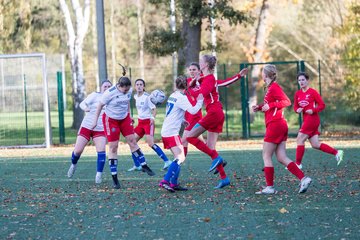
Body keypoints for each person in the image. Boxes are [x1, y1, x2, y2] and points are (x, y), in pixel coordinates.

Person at [186, 54, 248, 189]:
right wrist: (238, 76)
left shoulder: (208, 79)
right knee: (210, 147)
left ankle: (217, 158)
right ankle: (224, 178)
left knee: (190, 136)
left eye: (200, 62)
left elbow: (199, 95)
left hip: (214, 113)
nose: (198, 64)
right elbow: (224, 83)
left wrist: (189, 88)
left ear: (205, 65)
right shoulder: (208, 79)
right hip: (217, 113)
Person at [252, 64, 312, 194]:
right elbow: (271, 106)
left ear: (266, 75)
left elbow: (286, 102)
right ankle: (304, 179)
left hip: (275, 125)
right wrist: (260, 107)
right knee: (281, 157)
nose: (261, 74)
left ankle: (270, 187)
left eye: (262, 72)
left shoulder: (274, 87)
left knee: (266, 155)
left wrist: (271, 105)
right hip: (280, 124)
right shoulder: (269, 88)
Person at [91, 76, 155, 189]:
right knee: (113, 147)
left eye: (128, 89)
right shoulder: (109, 93)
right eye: (124, 90)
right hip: (111, 120)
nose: (126, 91)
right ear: (120, 86)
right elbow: (99, 106)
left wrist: (129, 115)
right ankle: (115, 178)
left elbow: (127, 103)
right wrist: (94, 121)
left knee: (132, 141)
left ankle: (144, 165)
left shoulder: (129, 90)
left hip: (124, 118)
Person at [159, 75, 204, 192]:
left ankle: (173, 183)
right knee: (180, 157)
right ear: (187, 86)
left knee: (178, 157)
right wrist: (200, 101)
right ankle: (165, 181)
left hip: (167, 130)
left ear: (176, 85)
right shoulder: (181, 98)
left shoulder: (173, 95)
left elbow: (172, 111)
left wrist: (182, 120)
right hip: (171, 132)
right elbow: (193, 111)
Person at [294, 72, 344, 168]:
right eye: (299, 80)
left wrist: (313, 110)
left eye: (303, 80)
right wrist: (297, 110)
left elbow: (322, 105)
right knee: (315, 144)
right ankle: (337, 152)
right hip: (306, 120)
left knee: (299, 139)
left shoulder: (313, 92)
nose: (301, 82)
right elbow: (295, 106)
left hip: (312, 120)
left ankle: (298, 164)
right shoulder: (298, 94)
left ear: (307, 81)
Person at [67, 80, 112, 184]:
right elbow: (82, 104)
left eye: (109, 86)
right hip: (87, 126)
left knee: (101, 151)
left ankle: (98, 175)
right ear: (101, 87)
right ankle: (73, 164)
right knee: (78, 150)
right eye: (105, 86)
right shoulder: (95, 95)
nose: (107, 88)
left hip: (100, 128)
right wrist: (86, 108)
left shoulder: (112, 99)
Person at [127, 79, 171, 172]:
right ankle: (137, 165)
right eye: (137, 84)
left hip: (148, 123)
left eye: (141, 84)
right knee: (132, 142)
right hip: (140, 123)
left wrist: (152, 118)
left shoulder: (148, 97)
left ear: (144, 87)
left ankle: (167, 161)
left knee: (150, 143)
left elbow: (154, 110)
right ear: (135, 87)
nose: (139, 86)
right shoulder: (135, 96)